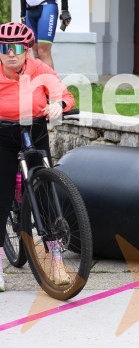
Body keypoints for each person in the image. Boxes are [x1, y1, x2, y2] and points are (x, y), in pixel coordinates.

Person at [0, 22, 76, 292]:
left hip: (35, 131)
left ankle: (56, 259)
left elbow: (66, 96)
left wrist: (58, 104)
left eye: (17, 48)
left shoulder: (40, 70)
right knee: (2, 194)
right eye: (5, 48)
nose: (11, 53)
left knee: (46, 193)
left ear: (27, 49)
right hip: (4, 136)